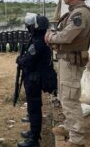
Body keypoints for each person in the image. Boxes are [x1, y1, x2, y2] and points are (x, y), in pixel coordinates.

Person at [44, 0, 90, 147]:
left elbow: (67, 36)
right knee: (65, 96)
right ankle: (69, 126)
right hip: (67, 61)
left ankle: (76, 139)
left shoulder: (80, 13)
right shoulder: (75, 12)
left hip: (71, 62)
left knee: (70, 99)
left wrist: (51, 37)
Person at [16, 14, 53, 147]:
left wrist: (19, 60)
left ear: (36, 27)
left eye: (30, 26)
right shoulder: (38, 39)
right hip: (33, 79)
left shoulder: (38, 43)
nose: (28, 28)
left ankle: (34, 139)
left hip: (34, 80)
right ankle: (33, 133)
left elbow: (28, 60)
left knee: (34, 109)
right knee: (33, 108)